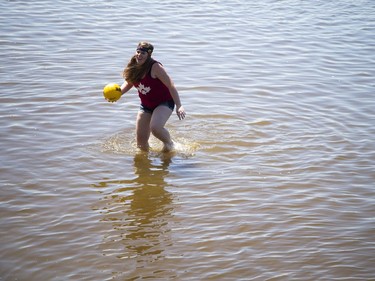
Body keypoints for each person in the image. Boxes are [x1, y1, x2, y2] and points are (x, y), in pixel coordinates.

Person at [119, 42, 186, 152]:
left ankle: (170, 144)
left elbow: (171, 85)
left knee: (155, 128)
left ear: (149, 55)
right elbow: (129, 83)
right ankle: (145, 166)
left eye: (143, 53)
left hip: (164, 102)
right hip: (146, 105)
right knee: (141, 144)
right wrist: (118, 94)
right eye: (138, 52)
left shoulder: (155, 67)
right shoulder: (134, 65)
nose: (139, 55)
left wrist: (179, 105)